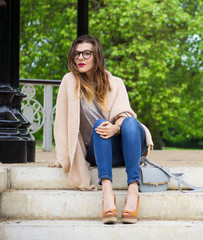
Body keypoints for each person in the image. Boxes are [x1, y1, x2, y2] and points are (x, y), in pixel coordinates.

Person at [50, 35, 153, 224]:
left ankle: (133, 190)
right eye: (76, 54)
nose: (80, 58)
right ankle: (107, 192)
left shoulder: (116, 83)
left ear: (96, 56)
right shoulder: (69, 82)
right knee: (99, 125)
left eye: (86, 53)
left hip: (125, 146)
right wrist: (63, 157)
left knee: (129, 122)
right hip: (97, 150)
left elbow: (124, 113)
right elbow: (62, 124)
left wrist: (115, 128)